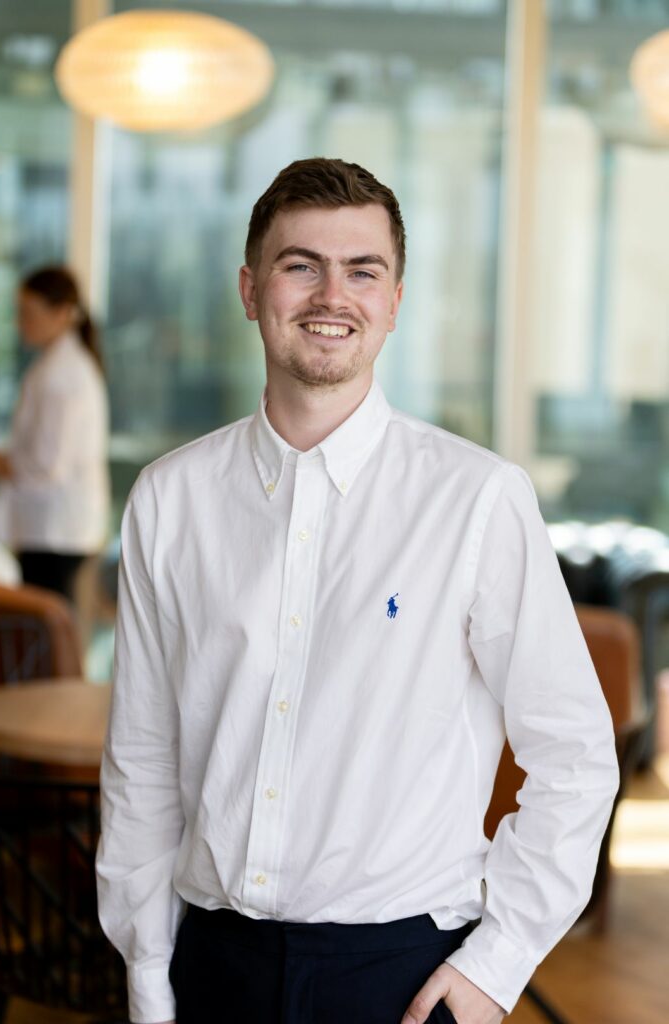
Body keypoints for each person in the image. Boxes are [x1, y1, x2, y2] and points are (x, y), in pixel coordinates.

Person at [97, 158, 619, 1024]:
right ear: (250, 288)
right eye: (300, 264)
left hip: (402, 973)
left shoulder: (477, 498)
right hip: (211, 961)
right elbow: (144, 761)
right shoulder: (169, 497)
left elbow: (573, 754)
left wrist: (497, 965)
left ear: (394, 302)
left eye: (362, 270)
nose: (330, 294)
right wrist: (149, 971)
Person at [0, 266, 110, 603]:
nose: (20, 323)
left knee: (46, 641)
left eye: (28, 313)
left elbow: (47, 463)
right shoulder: (54, 366)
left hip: (55, 533)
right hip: (49, 531)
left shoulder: (64, 374)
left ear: (61, 314)